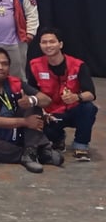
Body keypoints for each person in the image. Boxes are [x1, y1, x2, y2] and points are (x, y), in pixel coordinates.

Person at [0, 47, 62, 173]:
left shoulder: (16, 82)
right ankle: (35, 153)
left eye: (4, 64)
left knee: (33, 105)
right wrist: (25, 122)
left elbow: (46, 100)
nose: (0, 67)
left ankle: (30, 151)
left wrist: (31, 100)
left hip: (19, 131)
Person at [27, 27, 98, 161]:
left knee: (89, 108)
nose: (48, 45)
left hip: (73, 110)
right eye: (44, 42)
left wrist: (77, 97)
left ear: (60, 44)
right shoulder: (34, 65)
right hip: (51, 114)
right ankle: (58, 139)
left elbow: (91, 94)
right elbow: (32, 93)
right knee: (38, 126)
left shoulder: (78, 65)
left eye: (52, 42)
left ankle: (81, 145)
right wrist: (42, 112)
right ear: (40, 45)